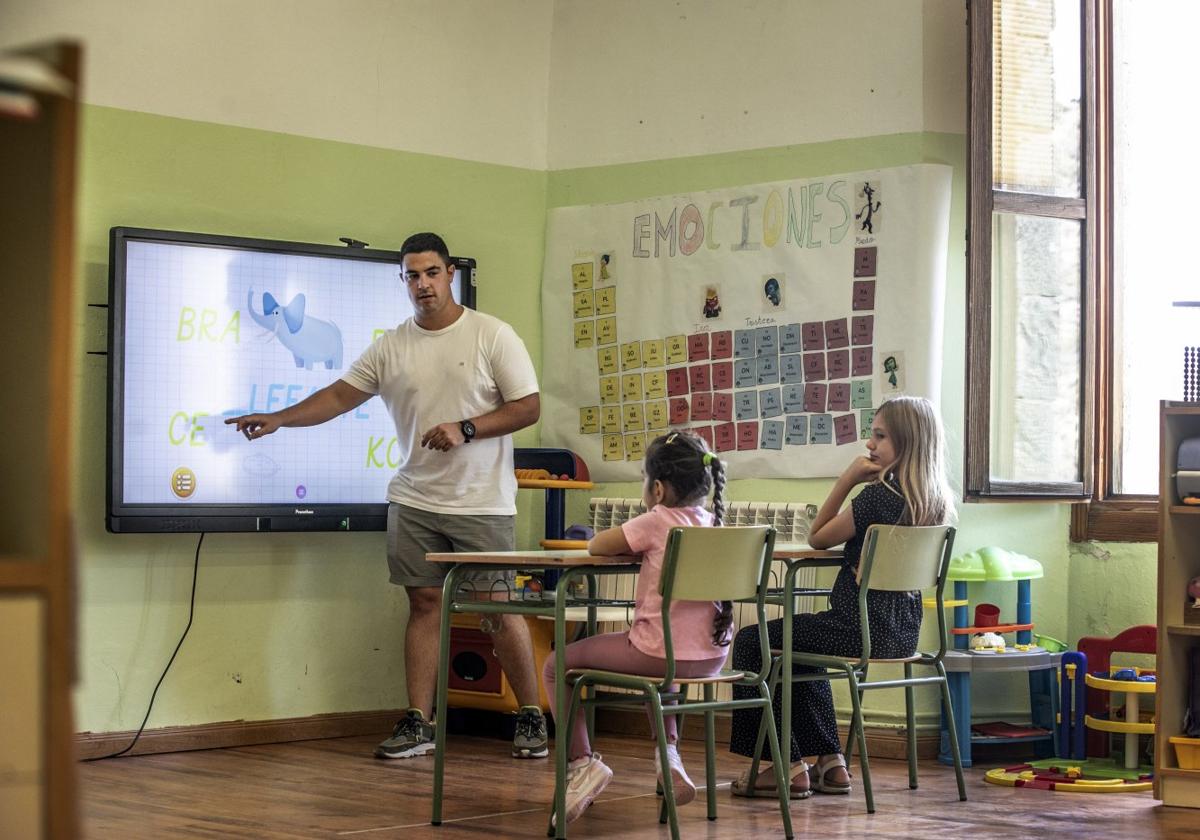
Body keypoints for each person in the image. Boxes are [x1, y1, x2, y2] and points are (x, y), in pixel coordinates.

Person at [225, 232, 548, 761]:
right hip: (415, 499)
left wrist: (466, 429)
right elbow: (337, 396)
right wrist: (279, 418)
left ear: (449, 274)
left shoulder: (492, 335)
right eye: (412, 276)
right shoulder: (392, 345)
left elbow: (528, 407)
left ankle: (531, 716)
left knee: (497, 608)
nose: (422, 284)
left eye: (431, 273)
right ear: (403, 281)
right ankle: (419, 722)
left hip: (480, 502)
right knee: (423, 605)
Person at [727, 395, 954, 798]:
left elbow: (817, 536)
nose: (870, 445)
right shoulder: (935, 502)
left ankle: (784, 766)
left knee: (753, 640)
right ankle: (831, 762)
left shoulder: (879, 496)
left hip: (857, 629)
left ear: (907, 442)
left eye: (880, 437)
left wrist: (847, 479)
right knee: (796, 639)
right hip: (902, 635)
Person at [544, 431, 731, 825]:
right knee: (664, 670)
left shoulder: (656, 520)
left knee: (556, 663)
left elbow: (597, 545)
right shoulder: (716, 523)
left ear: (658, 488)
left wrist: (634, 541)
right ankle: (670, 757)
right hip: (711, 659)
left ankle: (582, 763)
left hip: (655, 655)